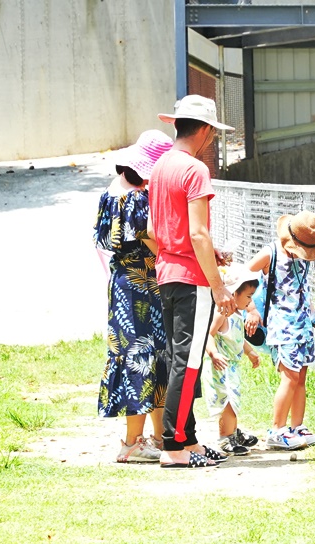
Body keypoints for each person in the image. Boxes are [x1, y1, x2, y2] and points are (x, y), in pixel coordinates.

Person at [148, 94, 237, 469]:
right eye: (213, 134)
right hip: (192, 280)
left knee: (176, 357)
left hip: (166, 273)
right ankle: (174, 446)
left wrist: (201, 251)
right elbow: (198, 233)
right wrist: (218, 284)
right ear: (203, 130)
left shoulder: (160, 167)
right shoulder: (194, 170)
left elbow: (155, 229)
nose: (212, 140)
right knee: (187, 361)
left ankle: (189, 439)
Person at [93, 129, 173, 463]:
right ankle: (133, 442)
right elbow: (154, 240)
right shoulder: (138, 199)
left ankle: (155, 436)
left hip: (123, 284)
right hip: (143, 285)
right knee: (143, 359)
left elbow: (103, 244)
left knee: (146, 359)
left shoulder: (109, 195)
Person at [246, 211, 315, 450]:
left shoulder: (303, 257)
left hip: (303, 323)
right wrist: (251, 309)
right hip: (283, 326)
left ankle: (297, 426)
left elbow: (303, 289)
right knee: (289, 377)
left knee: (301, 376)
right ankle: (277, 429)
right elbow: (241, 279)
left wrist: (313, 316)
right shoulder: (270, 254)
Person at [202, 264, 263, 456]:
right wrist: (213, 354)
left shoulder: (237, 315)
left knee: (234, 401)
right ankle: (225, 438)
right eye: (248, 296)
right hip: (220, 368)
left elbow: (236, 337)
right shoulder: (223, 313)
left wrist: (250, 351)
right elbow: (208, 335)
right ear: (233, 293)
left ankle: (234, 433)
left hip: (231, 368)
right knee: (227, 402)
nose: (250, 301)